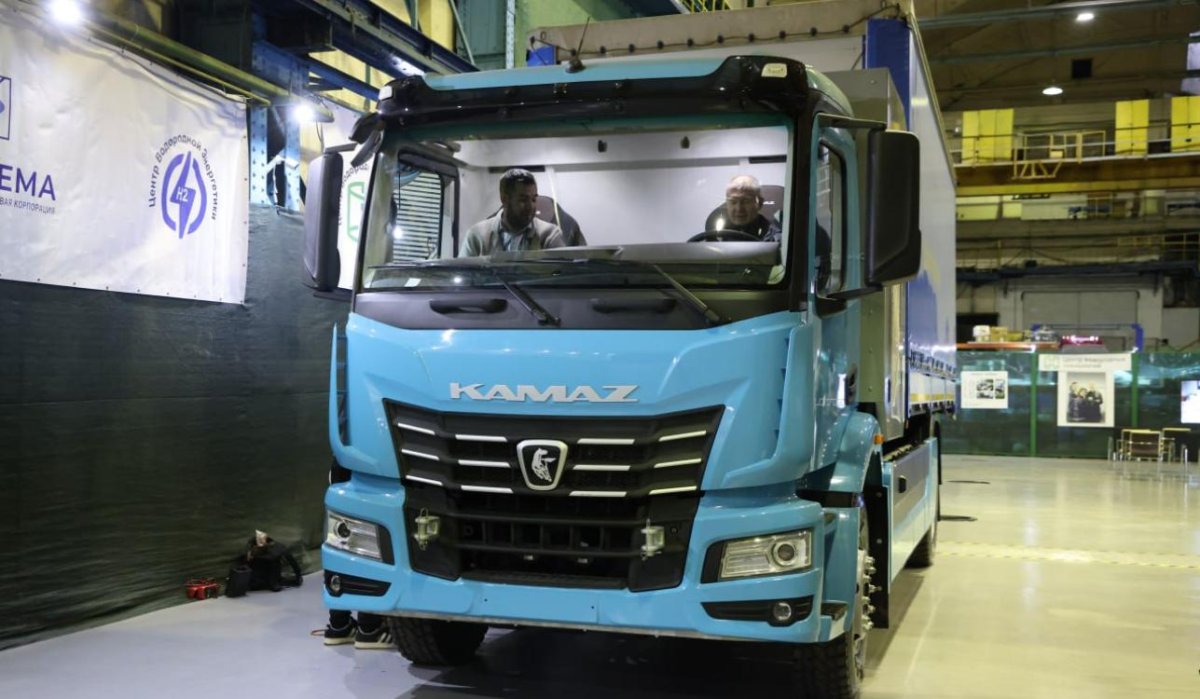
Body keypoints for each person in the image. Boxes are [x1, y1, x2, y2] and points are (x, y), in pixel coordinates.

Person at [322, 459, 396, 650]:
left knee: (340, 550)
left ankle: (339, 626)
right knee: (369, 551)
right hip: (366, 476)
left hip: (341, 471)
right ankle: (370, 628)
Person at [460, 168, 565, 256]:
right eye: (523, 200)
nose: (530, 206)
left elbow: (561, 272)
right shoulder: (477, 236)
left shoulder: (549, 235)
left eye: (533, 199)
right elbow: (462, 272)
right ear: (504, 199)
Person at [717, 175, 781, 242]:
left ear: (759, 203)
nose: (739, 209)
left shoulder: (774, 238)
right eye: (733, 202)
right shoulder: (717, 234)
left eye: (746, 201)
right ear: (727, 204)